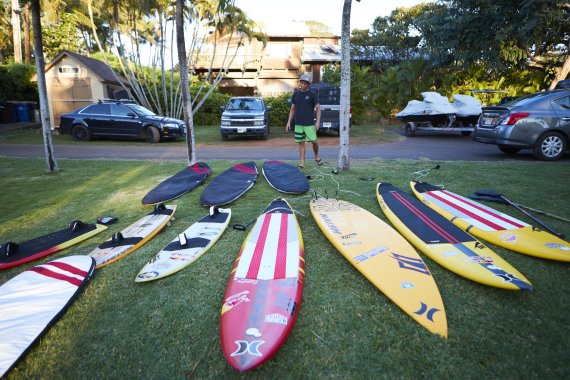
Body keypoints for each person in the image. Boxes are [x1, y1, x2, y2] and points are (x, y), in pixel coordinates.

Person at [286, 73, 323, 169]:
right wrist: (289, 122)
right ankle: (302, 162)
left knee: (314, 142)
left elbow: (318, 108)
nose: (303, 85)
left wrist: (318, 122)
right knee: (301, 143)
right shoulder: (296, 94)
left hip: (309, 124)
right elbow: (292, 109)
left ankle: (316, 156)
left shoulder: (312, 94)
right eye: (302, 83)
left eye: (305, 83)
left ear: (308, 84)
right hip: (298, 124)